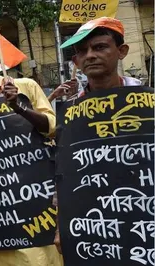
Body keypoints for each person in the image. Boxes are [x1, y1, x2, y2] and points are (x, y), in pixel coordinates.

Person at [0, 43, 59, 266]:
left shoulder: (25, 87)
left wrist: (19, 107)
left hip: (33, 196)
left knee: (38, 254)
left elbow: (52, 126)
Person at [51, 16, 142, 253]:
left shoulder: (147, 102)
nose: (90, 55)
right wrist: (62, 225)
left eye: (100, 47)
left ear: (121, 51)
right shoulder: (70, 113)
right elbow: (64, 171)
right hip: (93, 224)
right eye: (83, 51)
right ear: (76, 61)